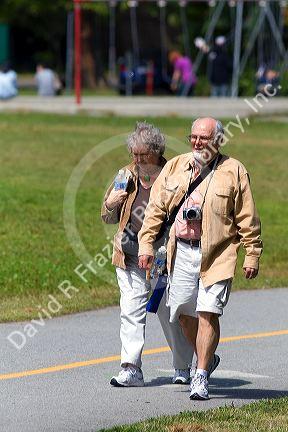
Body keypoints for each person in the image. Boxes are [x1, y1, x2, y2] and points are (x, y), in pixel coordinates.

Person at [138, 117, 263, 400]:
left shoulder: (234, 171)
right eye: (193, 137)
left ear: (218, 140)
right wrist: (146, 244)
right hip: (181, 251)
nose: (197, 143)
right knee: (182, 314)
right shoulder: (175, 167)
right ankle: (206, 356)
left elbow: (247, 217)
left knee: (208, 312)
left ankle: (201, 375)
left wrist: (252, 254)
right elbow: (155, 210)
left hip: (218, 253)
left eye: (204, 138)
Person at [101, 121, 194, 387]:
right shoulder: (125, 175)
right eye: (134, 154)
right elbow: (106, 215)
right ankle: (131, 369)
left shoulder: (174, 177)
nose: (138, 160)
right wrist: (110, 204)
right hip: (128, 257)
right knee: (130, 312)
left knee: (170, 314)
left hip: (163, 259)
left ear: (156, 151)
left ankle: (183, 367)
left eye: (143, 155)